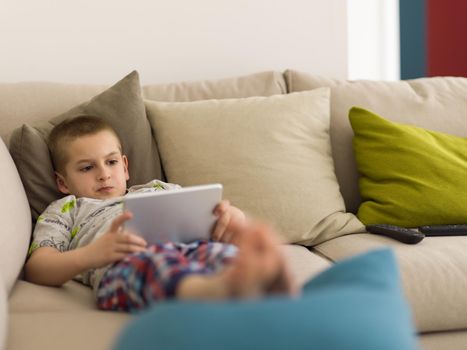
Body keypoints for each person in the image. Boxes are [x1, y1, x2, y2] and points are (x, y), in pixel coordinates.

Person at [24, 115, 295, 312]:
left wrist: (229, 216)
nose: (104, 174)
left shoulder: (158, 189)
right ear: (62, 183)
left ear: (125, 166)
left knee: (224, 255)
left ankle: (260, 287)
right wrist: (89, 256)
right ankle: (212, 292)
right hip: (121, 268)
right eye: (86, 168)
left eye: (111, 162)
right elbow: (38, 268)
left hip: (190, 247)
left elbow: (212, 219)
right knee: (155, 265)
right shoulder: (66, 209)